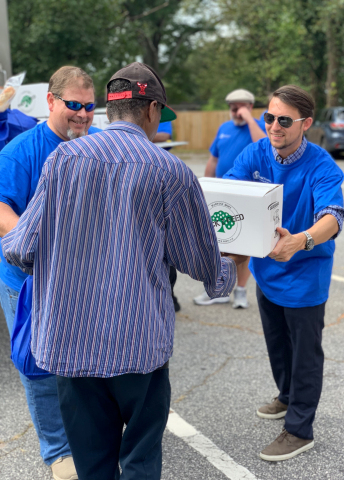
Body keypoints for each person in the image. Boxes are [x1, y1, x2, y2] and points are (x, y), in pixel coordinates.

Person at [1, 62, 245, 480]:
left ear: (107, 111)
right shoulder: (170, 170)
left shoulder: (62, 160)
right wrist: (234, 266)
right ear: (151, 110)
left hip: (71, 345)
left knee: (92, 465)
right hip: (139, 348)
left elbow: (21, 248)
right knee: (140, 460)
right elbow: (199, 262)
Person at [223, 84, 344, 461]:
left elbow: (333, 217)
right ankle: (287, 396)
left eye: (284, 120)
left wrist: (302, 240)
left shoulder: (322, 165)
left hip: (305, 276)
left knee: (305, 354)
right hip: (267, 271)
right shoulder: (256, 152)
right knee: (278, 346)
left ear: (306, 123)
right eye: (269, 117)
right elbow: (228, 189)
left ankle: (299, 429)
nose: (274, 126)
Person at [0, 66, 101, 480]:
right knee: (37, 366)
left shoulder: (99, 147)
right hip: (27, 282)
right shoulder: (20, 151)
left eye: (90, 107)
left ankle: (90, 436)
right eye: (73, 105)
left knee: (84, 362)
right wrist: (39, 241)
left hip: (82, 280)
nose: (82, 114)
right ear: (51, 102)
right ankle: (58, 450)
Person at [193, 89, 266, 309]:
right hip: (223, 192)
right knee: (220, 243)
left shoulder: (259, 127)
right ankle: (220, 289)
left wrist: (248, 119)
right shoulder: (224, 129)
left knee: (245, 246)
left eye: (241, 107)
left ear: (250, 106)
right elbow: (214, 159)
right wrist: (205, 185)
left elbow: (263, 147)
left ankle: (241, 291)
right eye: (233, 107)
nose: (236, 111)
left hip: (248, 195)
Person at [152, 121, 181, 312]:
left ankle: (169, 296)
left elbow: (164, 137)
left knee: (164, 246)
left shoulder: (162, 116)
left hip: (160, 179)